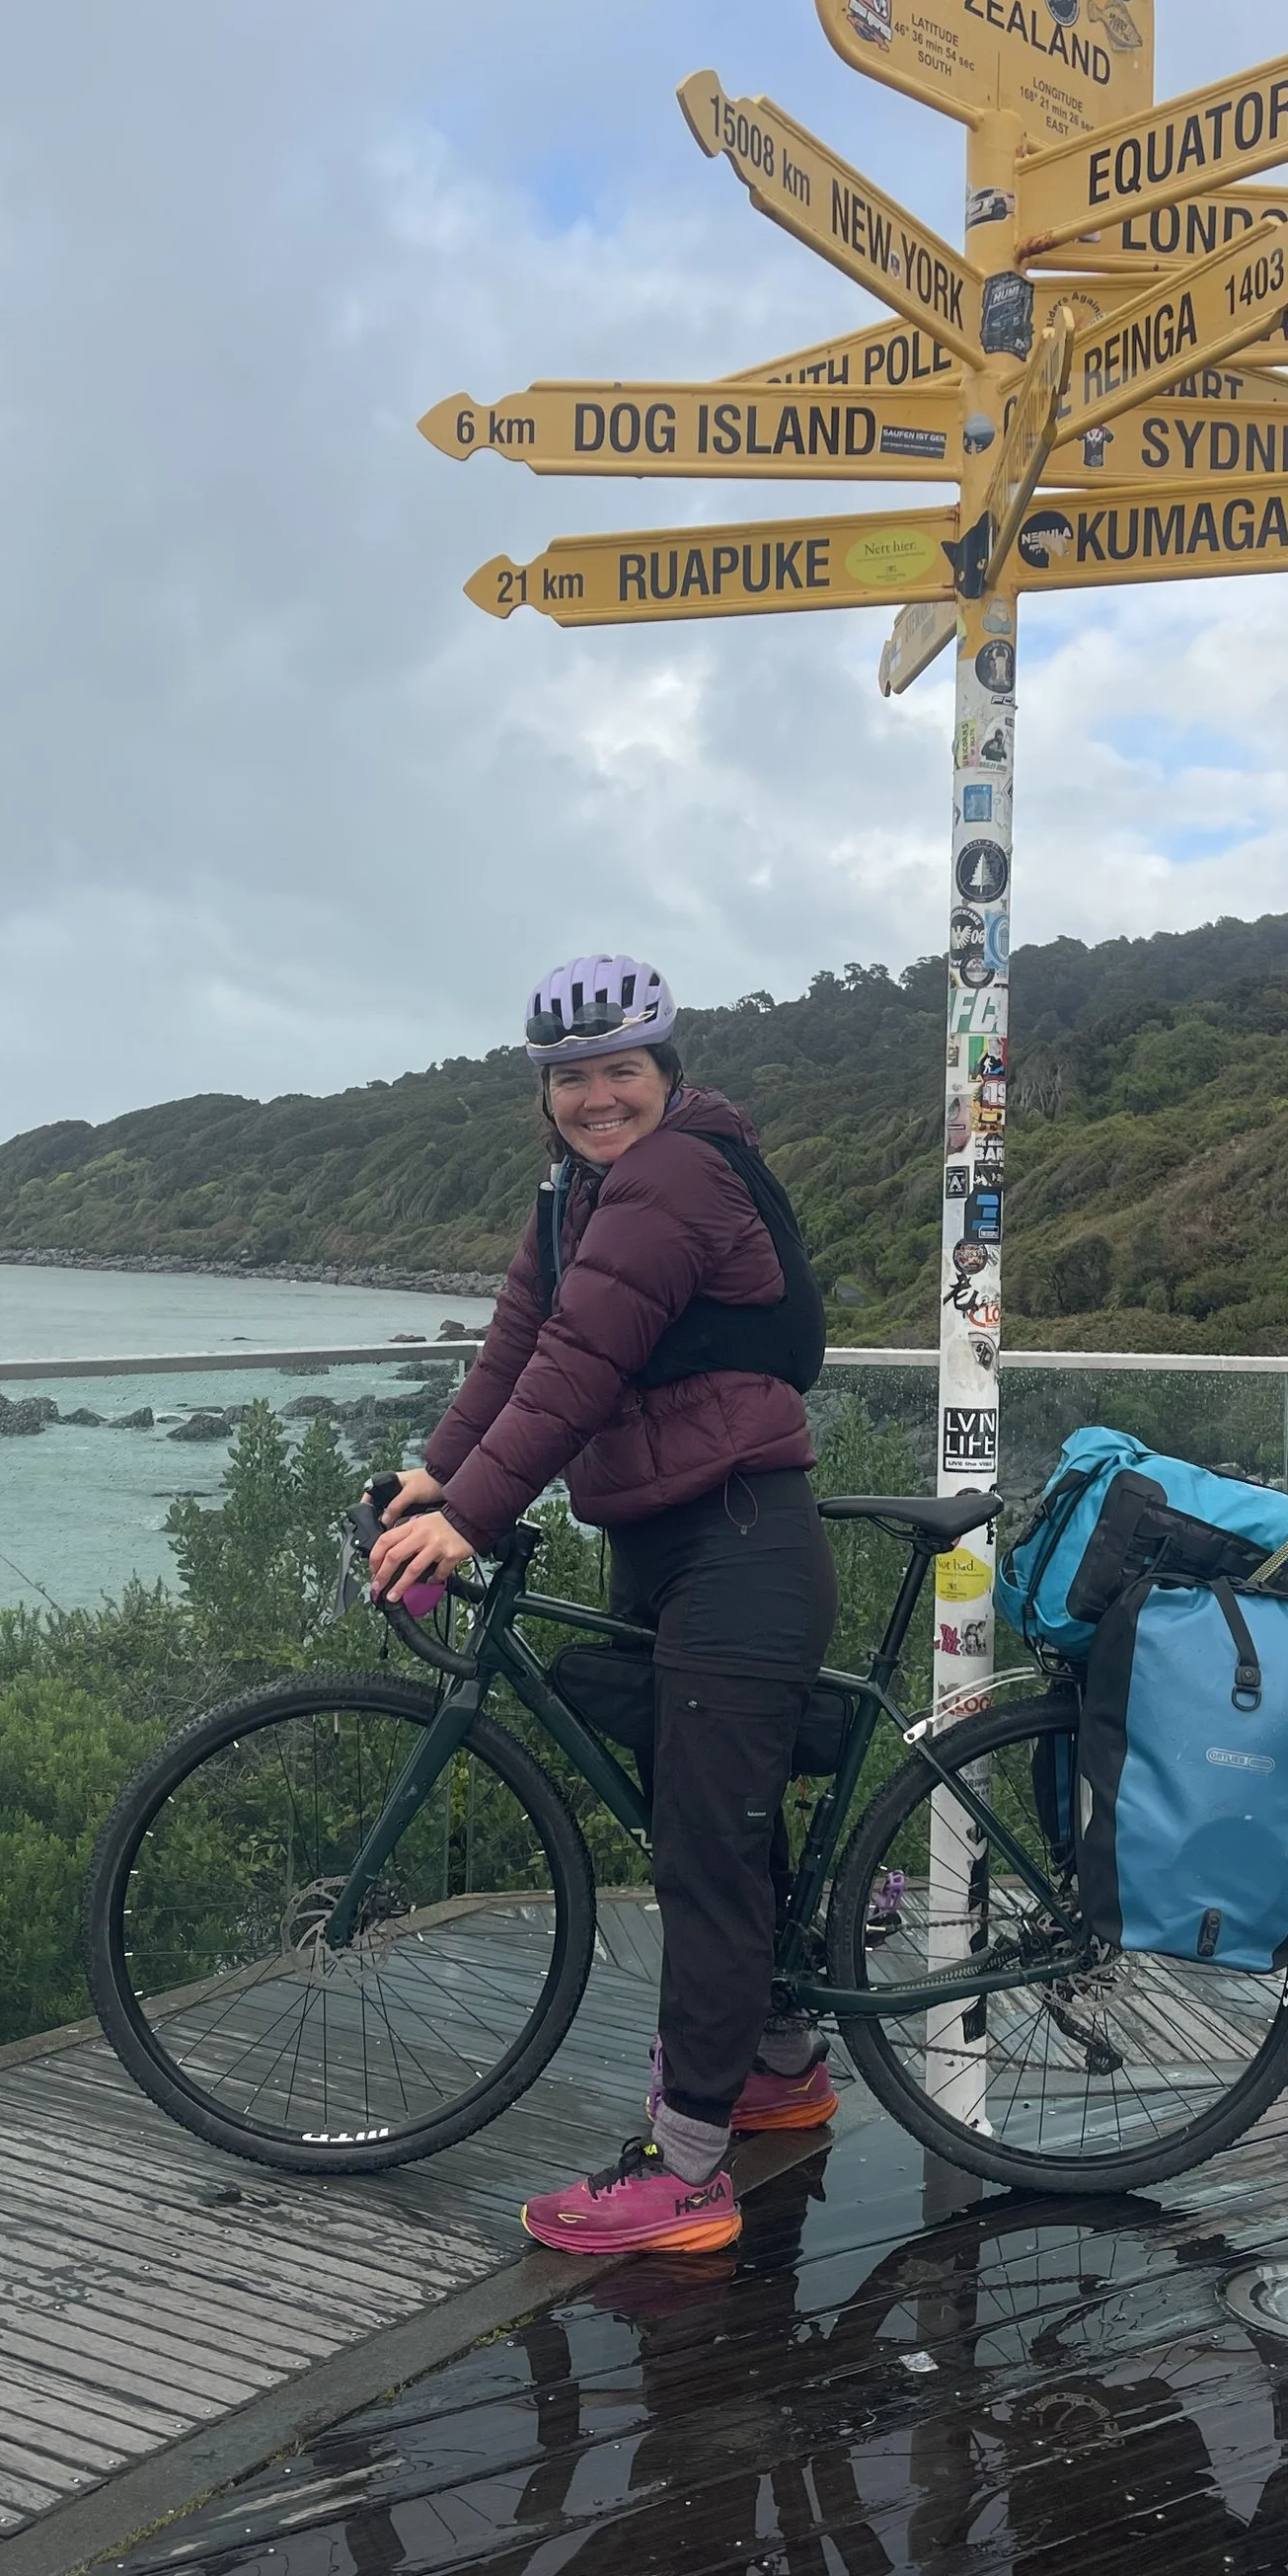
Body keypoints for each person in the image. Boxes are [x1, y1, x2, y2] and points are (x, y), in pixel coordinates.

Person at [366, 951, 839, 2259]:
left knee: (704, 1850)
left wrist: (472, 1520)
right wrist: (438, 1473)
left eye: (618, 1070)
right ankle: (784, 2064)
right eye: (570, 1078)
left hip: (738, 1538)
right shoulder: (576, 1194)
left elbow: (584, 1364)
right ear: (546, 1095)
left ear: (664, 1072)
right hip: (665, 1536)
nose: (595, 1097)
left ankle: (687, 2175)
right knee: (719, 1822)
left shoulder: (677, 1175)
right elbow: (518, 1347)